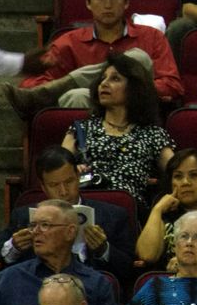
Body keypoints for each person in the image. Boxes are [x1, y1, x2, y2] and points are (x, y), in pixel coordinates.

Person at [4, 0, 183, 116]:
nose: (108, 5)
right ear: (88, 3)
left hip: (137, 112)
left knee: (136, 57)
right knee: (77, 95)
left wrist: (124, 88)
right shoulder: (69, 42)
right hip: (90, 116)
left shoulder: (152, 37)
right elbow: (31, 84)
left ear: (126, 2)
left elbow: (172, 85)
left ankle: (76, 81)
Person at [0, 146, 135, 283]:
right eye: (54, 185)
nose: (63, 191)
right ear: (43, 187)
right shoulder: (24, 217)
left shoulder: (112, 215)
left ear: (78, 177)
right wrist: (13, 246)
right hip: (37, 290)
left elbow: (130, 269)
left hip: (91, 291)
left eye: (69, 182)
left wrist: (103, 250)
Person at [60, 52, 175, 212]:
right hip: (85, 209)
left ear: (134, 88)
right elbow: (57, 169)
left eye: (115, 79)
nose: (104, 84)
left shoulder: (153, 134)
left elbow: (177, 171)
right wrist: (73, 171)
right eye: (103, 78)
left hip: (129, 211)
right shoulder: (80, 129)